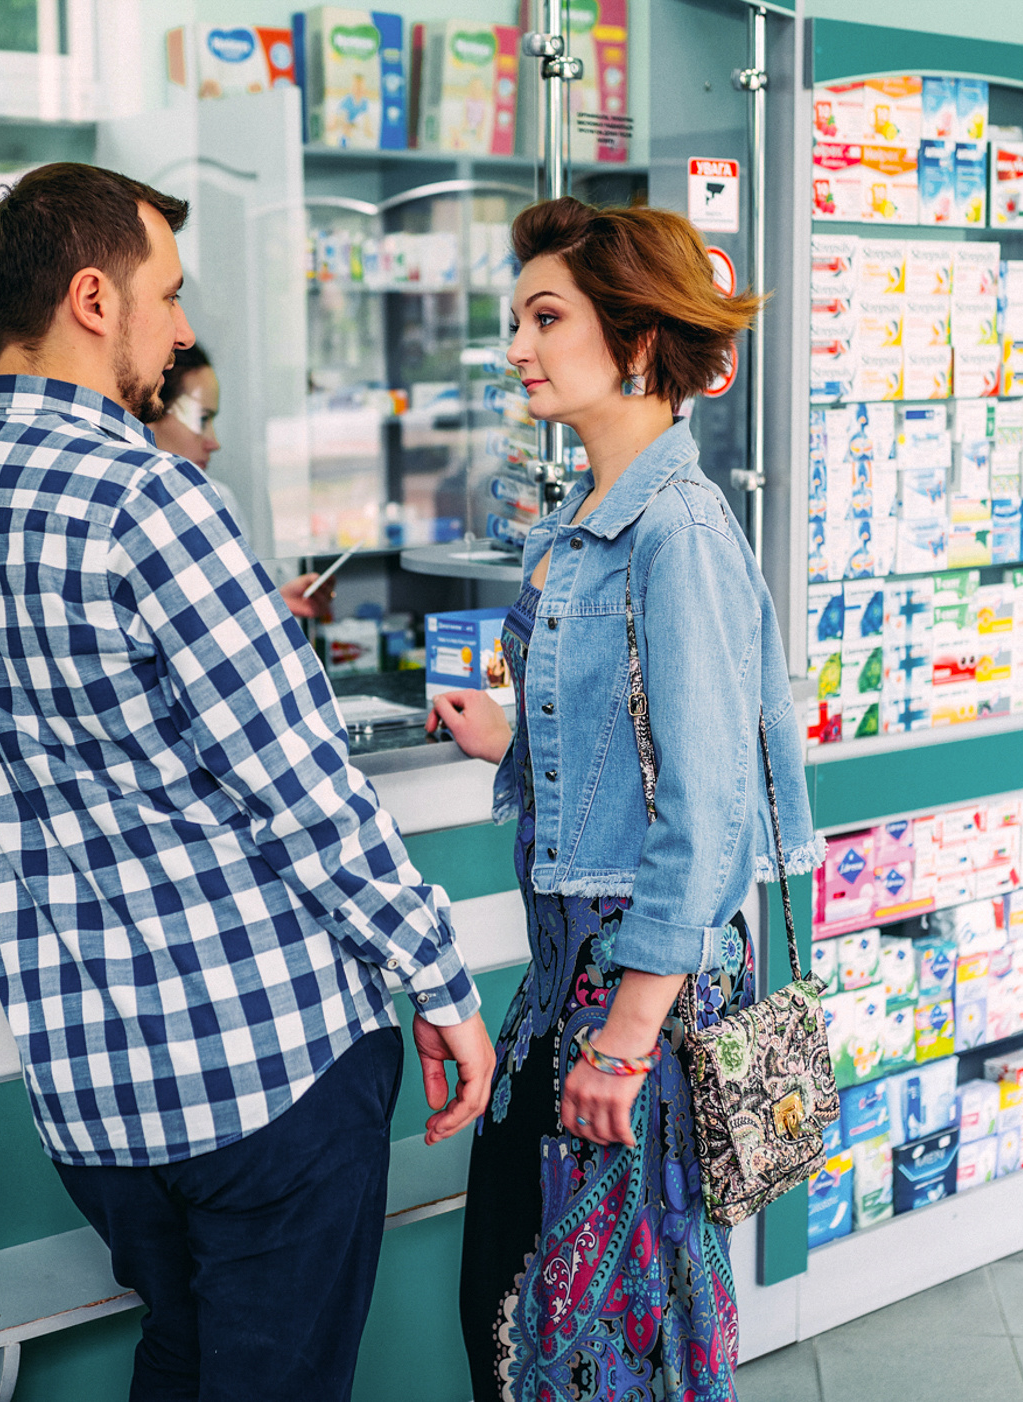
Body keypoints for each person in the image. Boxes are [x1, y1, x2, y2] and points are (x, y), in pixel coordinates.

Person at [0, 162, 495, 1402]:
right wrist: (438, 978)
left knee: (184, 1352)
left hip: (91, 1098)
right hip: (265, 1067)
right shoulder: (150, 495)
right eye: (167, 294)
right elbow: (305, 786)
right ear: (94, 298)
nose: (184, 327)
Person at [427, 197, 822, 1401]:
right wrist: (510, 743)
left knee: (608, 1325)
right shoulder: (585, 528)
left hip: (631, 987)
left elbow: (708, 816)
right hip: (571, 981)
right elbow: (627, 755)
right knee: (526, 1308)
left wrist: (632, 1032)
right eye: (518, 319)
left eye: (547, 317)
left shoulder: (676, 530)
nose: (518, 348)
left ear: (638, 341)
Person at [148, 344, 335, 621]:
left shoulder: (218, 499)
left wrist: (276, 600)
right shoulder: (128, 509)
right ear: (150, 412)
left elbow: (225, 610)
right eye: (201, 419)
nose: (214, 442)